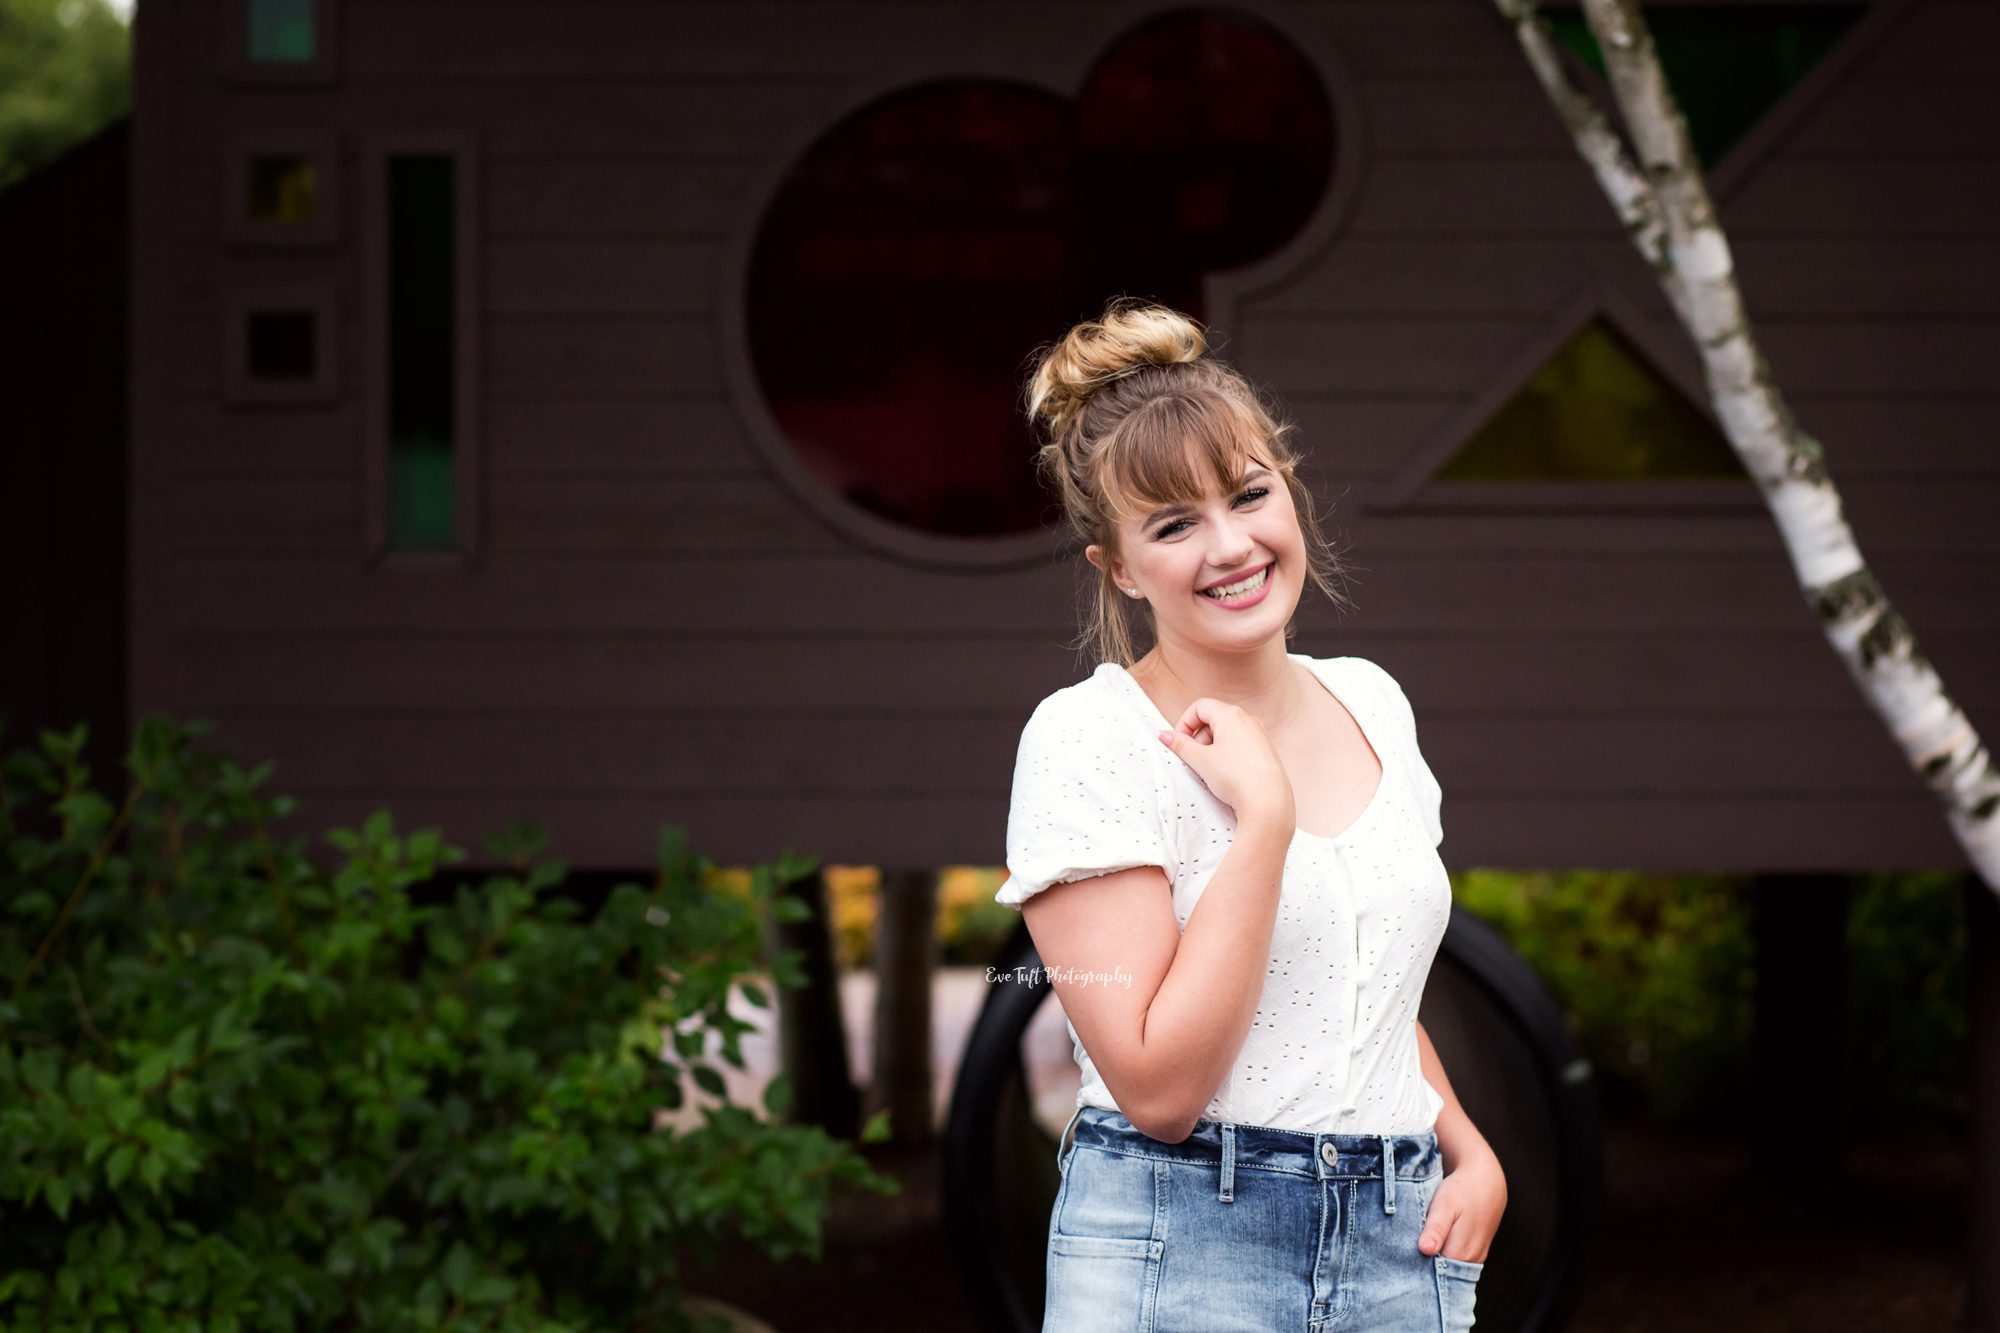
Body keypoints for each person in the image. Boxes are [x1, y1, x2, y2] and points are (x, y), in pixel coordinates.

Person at [997, 298, 1507, 1332]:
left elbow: (1351, 986)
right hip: (1180, 1245)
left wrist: (1465, 1142)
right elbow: (1158, 1088)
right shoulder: (1088, 738)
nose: (1229, 545)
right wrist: (1262, 824)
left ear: (1289, 487)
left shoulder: (1372, 700)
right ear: (1119, 568)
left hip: (1397, 1248)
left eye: (1246, 493)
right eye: (1173, 524)